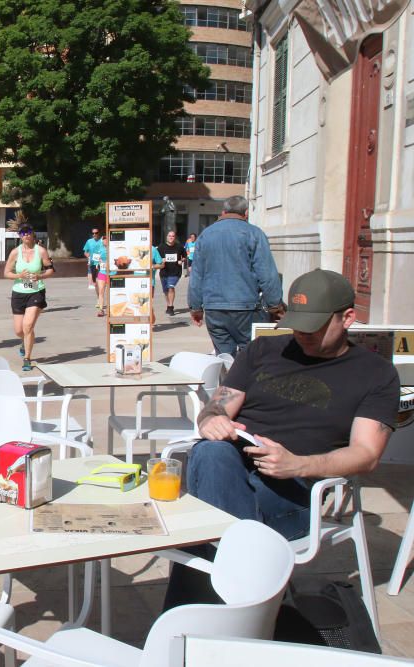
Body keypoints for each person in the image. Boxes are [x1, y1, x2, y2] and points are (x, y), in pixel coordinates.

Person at [163, 269, 400, 610]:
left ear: (347, 318)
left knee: (202, 525)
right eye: (296, 322)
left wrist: (298, 464)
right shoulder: (263, 350)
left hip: (294, 491)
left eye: (314, 325)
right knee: (212, 453)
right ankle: (251, 602)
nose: (302, 333)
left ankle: (209, 615)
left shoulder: (375, 374)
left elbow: (366, 454)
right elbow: (218, 406)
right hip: (230, 469)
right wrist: (211, 418)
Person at [188, 195, 283, 357]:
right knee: (251, 358)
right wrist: (275, 306)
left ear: (223, 211)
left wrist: (195, 308)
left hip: (214, 308)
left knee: (224, 358)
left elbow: (196, 275)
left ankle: (227, 381)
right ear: (246, 213)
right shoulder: (254, 233)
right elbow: (267, 273)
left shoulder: (205, 235)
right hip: (246, 308)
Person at [3, 224, 55, 371]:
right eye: (22, 232)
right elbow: (6, 273)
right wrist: (19, 275)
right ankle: (23, 341)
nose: (26, 235)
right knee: (19, 330)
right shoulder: (15, 252)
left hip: (36, 291)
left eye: (28, 232)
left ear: (33, 234)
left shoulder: (41, 251)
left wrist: (40, 276)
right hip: (19, 292)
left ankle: (27, 358)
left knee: (28, 326)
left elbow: (50, 270)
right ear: (20, 236)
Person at [157, 229, 186, 316]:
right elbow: (156, 258)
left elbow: (184, 256)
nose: (171, 237)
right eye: (169, 236)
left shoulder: (179, 247)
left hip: (175, 272)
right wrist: (161, 260)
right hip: (164, 272)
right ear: (167, 237)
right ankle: (169, 305)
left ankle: (170, 306)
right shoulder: (161, 247)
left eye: (173, 236)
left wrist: (181, 260)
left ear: (175, 237)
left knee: (170, 287)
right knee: (166, 290)